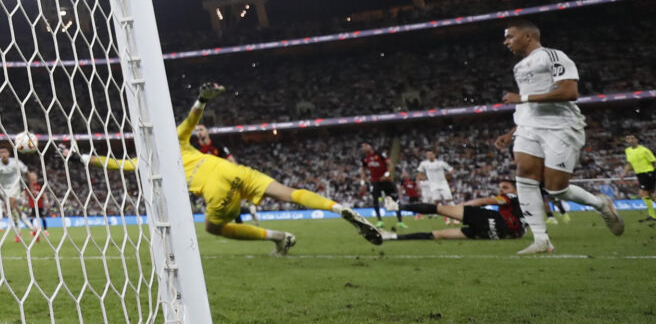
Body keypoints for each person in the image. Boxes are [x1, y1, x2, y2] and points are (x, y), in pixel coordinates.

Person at [64, 83, 382, 256]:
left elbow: (112, 164)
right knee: (289, 193)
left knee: (214, 228)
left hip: (214, 188)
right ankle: (337, 207)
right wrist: (202, 99)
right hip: (232, 170)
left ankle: (279, 237)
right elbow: (191, 121)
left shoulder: (144, 161)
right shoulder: (176, 139)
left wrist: (79, 158)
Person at [495, 20, 624, 254]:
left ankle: (600, 204)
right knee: (523, 172)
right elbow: (528, 106)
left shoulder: (553, 56)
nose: (506, 42)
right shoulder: (519, 68)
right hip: (529, 127)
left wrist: (522, 99)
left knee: (556, 189)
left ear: (527, 37)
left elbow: (569, 92)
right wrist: (511, 132)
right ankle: (541, 240)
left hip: (561, 127)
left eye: (510, 36)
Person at [382, 181, 526, 242]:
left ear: (514, 190)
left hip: (487, 219)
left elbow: (485, 201)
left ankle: (397, 207)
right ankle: (392, 237)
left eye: (505, 187)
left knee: (437, 209)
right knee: (437, 235)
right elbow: (518, 233)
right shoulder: (525, 209)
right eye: (501, 188)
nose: (502, 191)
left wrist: (464, 205)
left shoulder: (512, 197)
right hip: (494, 234)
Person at [193, 123, 258, 223]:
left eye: (201, 129)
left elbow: (231, 159)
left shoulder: (218, 145)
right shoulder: (196, 148)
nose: (199, 132)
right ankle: (247, 212)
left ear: (207, 131)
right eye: (197, 131)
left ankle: (239, 221)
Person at [0, 142, 39, 242]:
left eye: (5, 152)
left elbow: (28, 173)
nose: (3, 154)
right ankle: (33, 229)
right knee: (15, 209)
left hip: (15, 188)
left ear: (9, 153)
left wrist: (32, 188)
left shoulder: (16, 162)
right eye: (1, 152)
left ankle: (18, 232)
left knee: (10, 207)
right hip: (3, 190)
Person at [619, 134, 656, 222]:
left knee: (643, 194)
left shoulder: (644, 150)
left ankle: (652, 215)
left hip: (648, 173)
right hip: (640, 174)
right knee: (651, 197)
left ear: (636, 140)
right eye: (628, 139)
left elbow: (655, 162)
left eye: (632, 138)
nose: (630, 140)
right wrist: (624, 173)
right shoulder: (627, 150)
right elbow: (630, 164)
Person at [360, 142, 405, 229]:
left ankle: (400, 221)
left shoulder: (379, 154)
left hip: (387, 181)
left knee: (395, 200)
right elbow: (363, 171)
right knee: (375, 201)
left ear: (370, 146)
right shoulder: (364, 158)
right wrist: (362, 183)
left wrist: (387, 175)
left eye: (365, 146)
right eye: (362, 147)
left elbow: (390, 165)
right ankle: (379, 221)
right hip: (375, 182)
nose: (364, 148)